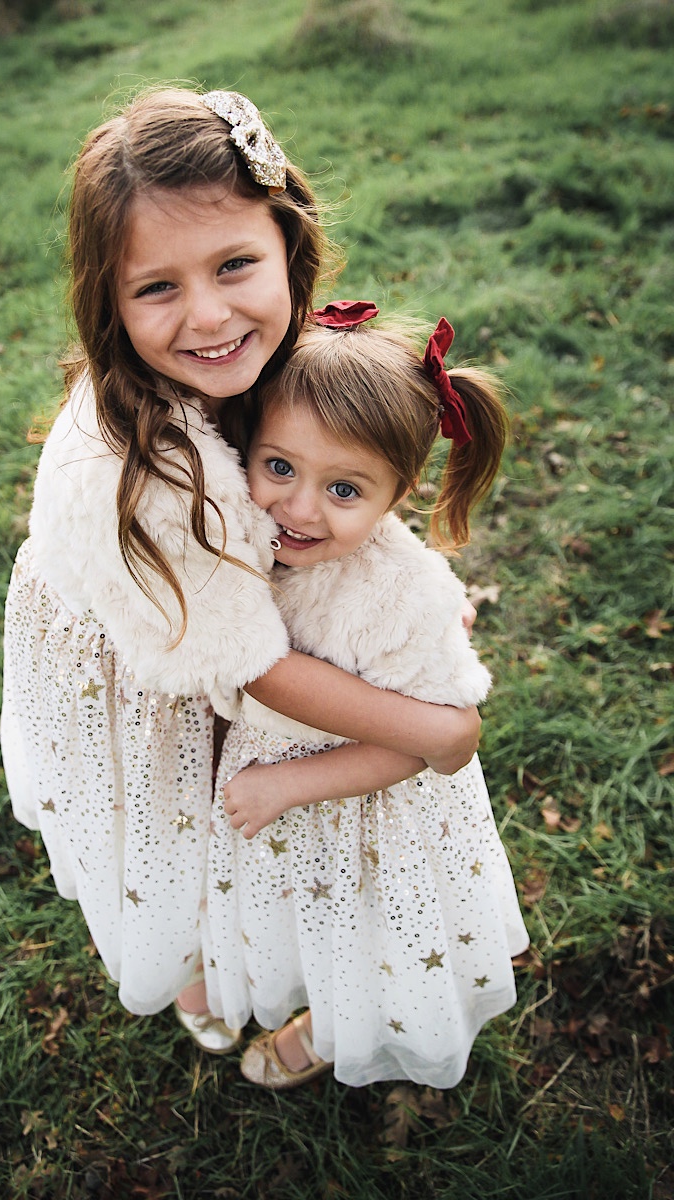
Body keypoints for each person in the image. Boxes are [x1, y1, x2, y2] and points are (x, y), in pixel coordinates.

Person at [0, 88, 482, 1055]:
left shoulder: (256, 363)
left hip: (206, 629)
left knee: (244, 842)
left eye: (234, 265)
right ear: (109, 301)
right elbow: (248, 666)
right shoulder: (138, 481)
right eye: (157, 288)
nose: (211, 315)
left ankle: (259, 967)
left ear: (288, 248)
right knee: (180, 837)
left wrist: (403, 593)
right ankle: (203, 968)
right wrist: (435, 729)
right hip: (150, 673)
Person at [202, 302, 529, 1087]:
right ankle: (253, 982)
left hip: (364, 818)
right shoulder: (239, 532)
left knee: (356, 932)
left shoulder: (399, 598)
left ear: (398, 495)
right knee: (285, 916)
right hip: (268, 802)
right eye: (279, 467)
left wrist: (289, 783)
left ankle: (330, 1030)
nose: (300, 509)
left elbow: (425, 743)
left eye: (344, 489)